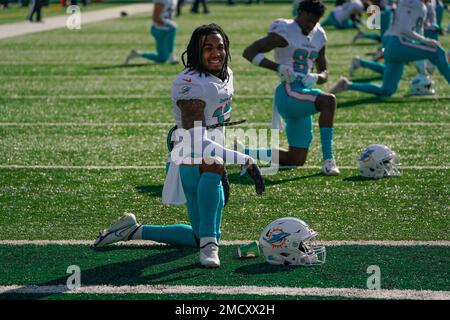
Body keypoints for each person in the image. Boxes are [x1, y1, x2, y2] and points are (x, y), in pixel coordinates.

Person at [95, 24, 265, 268]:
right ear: (196, 52)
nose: (216, 53)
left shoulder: (226, 73)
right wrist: (245, 159)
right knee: (213, 168)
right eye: (208, 48)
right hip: (187, 153)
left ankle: (132, 231)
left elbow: (213, 131)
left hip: (211, 149)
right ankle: (209, 248)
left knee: (199, 234)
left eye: (220, 47)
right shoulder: (190, 83)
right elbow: (196, 140)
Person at [242, 0, 339, 175]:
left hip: (304, 93)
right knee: (328, 101)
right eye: (308, 19)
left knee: (296, 159)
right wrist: (278, 67)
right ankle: (329, 160)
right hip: (289, 93)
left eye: (315, 21)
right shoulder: (285, 30)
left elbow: (324, 72)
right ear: (299, 12)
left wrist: (317, 77)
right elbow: (249, 52)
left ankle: (240, 153)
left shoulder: (319, 35)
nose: (311, 24)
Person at [329, 0, 450, 97]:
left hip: (397, 47)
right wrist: (426, 41)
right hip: (398, 44)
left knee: (387, 90)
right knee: (438, 52)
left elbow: (418, 32)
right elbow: (404, 30)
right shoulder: (414, 3)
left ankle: (347, 85)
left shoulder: (422, 6)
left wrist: (423, 65)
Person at [125, 0, 179, 65]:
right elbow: (155, 18)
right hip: (159, 29)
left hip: (164, 28)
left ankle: (138, 53)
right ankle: (172, 55)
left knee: (162, 58)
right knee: (172, 28)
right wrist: (168, 23)